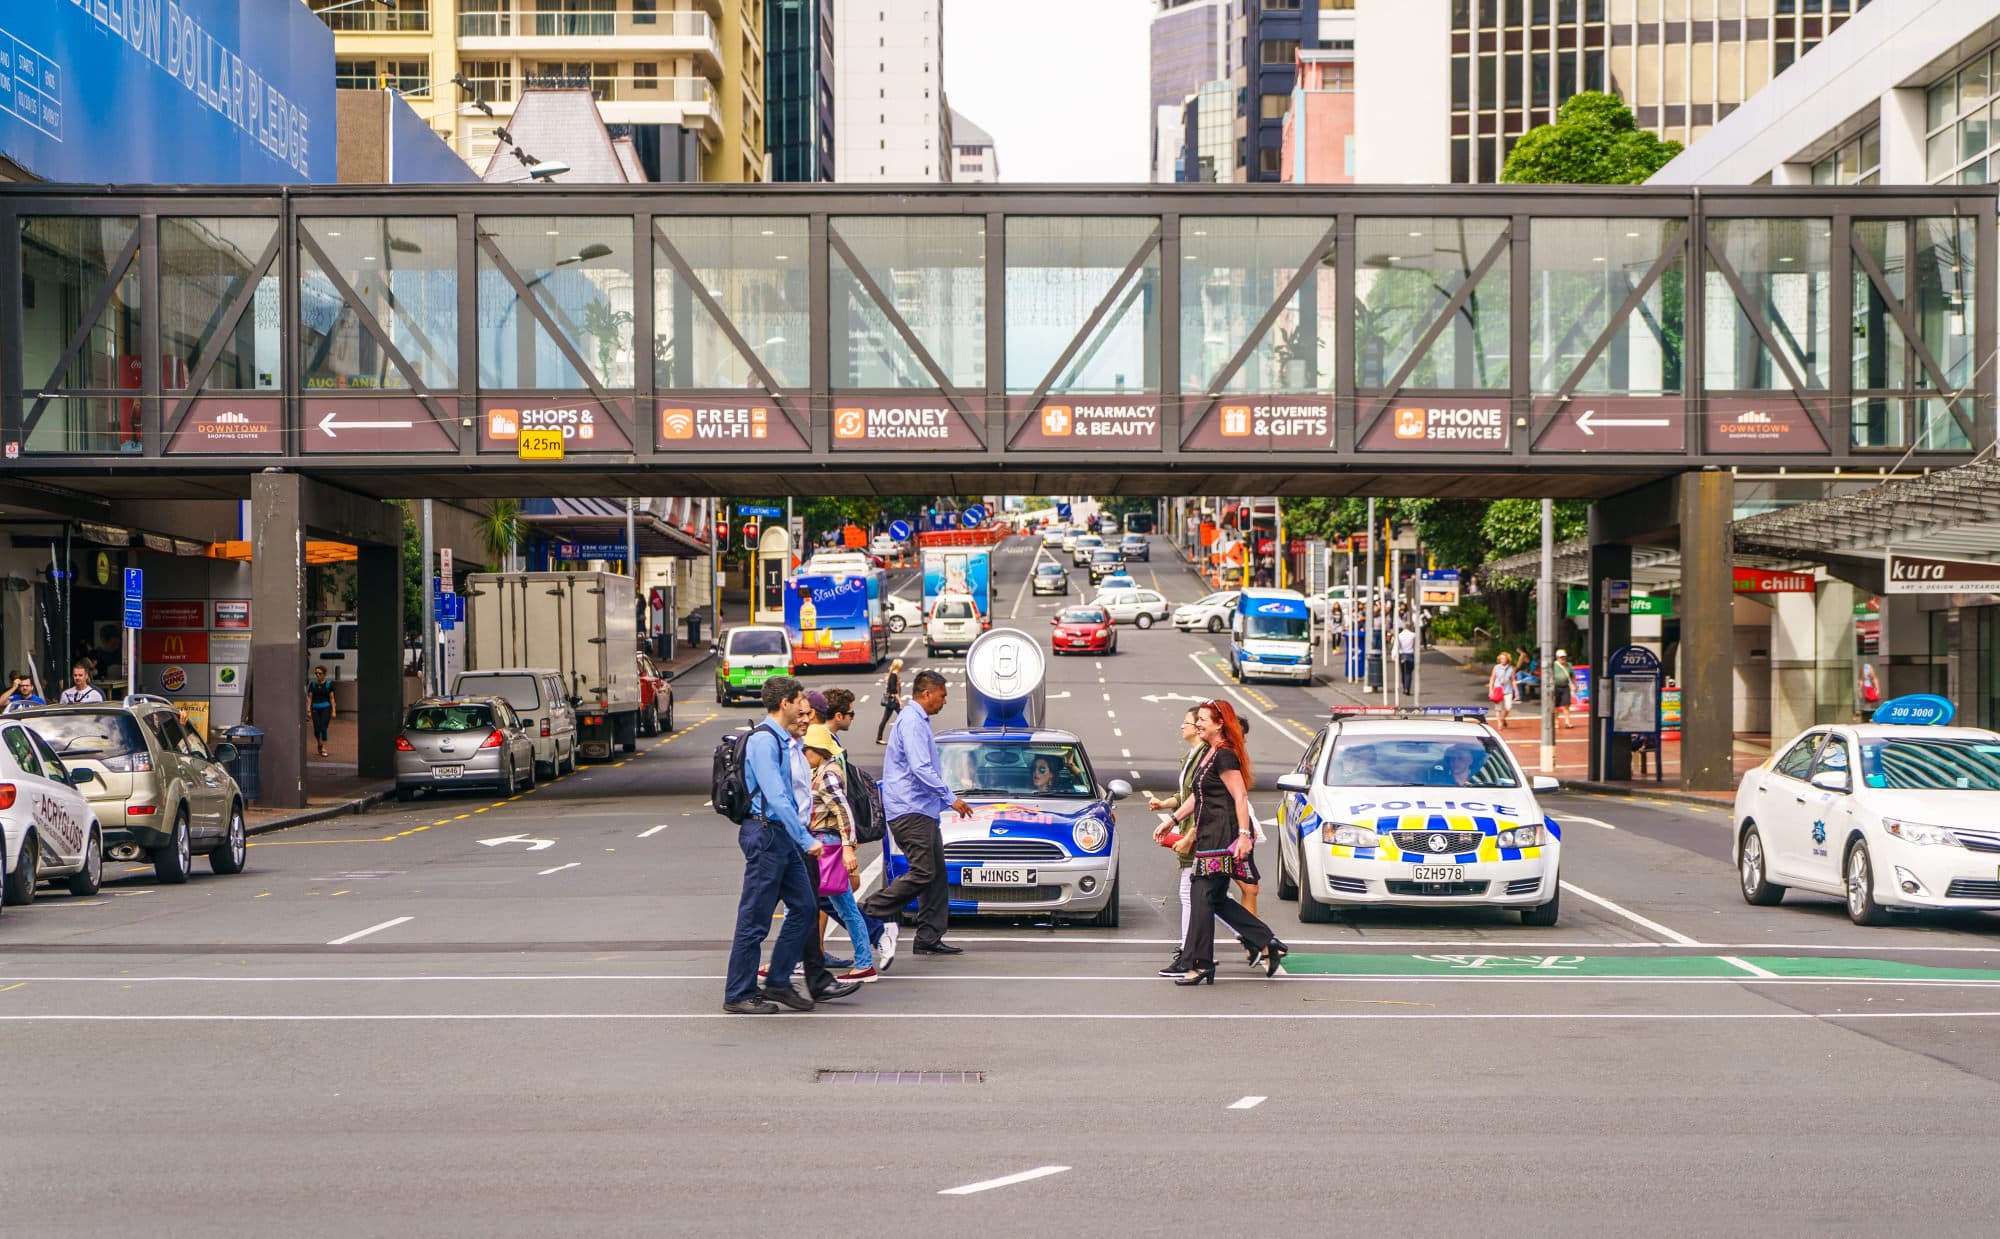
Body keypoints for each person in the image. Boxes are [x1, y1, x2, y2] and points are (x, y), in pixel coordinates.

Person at [723, 676, 859, 1015]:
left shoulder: (787, 741)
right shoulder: (763, 742)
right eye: (800, 699)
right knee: (755, 918)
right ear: (785, 703)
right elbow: (777, 796)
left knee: (805, 907)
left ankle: (780, 982)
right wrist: (806, 839)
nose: (805, 706)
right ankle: (739, 992)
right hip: (768, 834)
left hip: (784, 835)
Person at [1156, 700, 1284, 986]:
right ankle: (1265, 942)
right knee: (1213, 898)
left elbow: (1240, 796)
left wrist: (1243, 835)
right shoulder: (1209, 752)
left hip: (1221, 836)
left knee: (1202, 896)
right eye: (1197, 719)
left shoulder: (1225, 755)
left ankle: (1199, 963)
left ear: (1219, 723)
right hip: (1208, 833)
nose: (1197, 723)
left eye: (1202, 719)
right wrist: (1172, 820)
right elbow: (1197, 795)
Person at [863, 669, 972, 956]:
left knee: (935, 876)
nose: (945, 701)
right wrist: (951, 799)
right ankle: (869, 910)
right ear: (927, 693)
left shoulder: (918, 720)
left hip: (922, 810)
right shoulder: (911, 721)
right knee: (923, 872)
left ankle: (928, 936)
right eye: (942, 695)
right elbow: (920, 768)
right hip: (909, 810)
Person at [804, 724, 878, 984]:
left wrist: (847, 847)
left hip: (828, 846)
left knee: (840, 907)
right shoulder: (822, 770)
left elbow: (843, 811)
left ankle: (865, 963)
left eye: (806, 749)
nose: (803, 754)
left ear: (818, 750)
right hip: (826, 845)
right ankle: (864, 961)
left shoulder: (827, 774)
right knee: (836, 907)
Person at [306, 666, 336, 758]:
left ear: (324, 674)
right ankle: (319, 743)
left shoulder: (328, 684)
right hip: (315, 708)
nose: (317, 675)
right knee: (316, 729)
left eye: (320, 673)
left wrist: (333, 710)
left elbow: (332, 698)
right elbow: (310, 698)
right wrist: (308, 710)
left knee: (323, 727)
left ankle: (324, 747)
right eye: (316, 673)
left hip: (326, 708)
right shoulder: (313, 685)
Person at [875, 658, 904, 744]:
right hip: (893, 701)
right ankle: (879, 738)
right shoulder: (893, 675)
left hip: (893, 701)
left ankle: (879, 738)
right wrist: (900, 701)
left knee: (887, 719)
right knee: (903, 717)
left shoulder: (895, 675)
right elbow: (893, 689)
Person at [1549, 650, 1575, 729]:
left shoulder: (1569, 665)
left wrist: (1575, 685)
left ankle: (1567, 722)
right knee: (1555, 706)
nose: (1562, 658)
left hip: (1565, 687)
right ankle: (1556, 722)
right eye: (1561, 657)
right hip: (1556, 687)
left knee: (1566, 705)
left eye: (1564, 657)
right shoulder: (1553, 665)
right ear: (1557, 658)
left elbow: (1572, 676)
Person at [1489, 651, 1516, 727]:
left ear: (1507, 659)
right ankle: (1499, 722)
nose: (1502, 660)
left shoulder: (1511, 668)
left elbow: (1513, 680)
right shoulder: (1496, 667)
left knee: (1508, 707)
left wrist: (1516, 691)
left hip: (1508, 690)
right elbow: (1492, 679)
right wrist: (1491, 690)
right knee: (1498, 707)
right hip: (1498, 689)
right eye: (1501, 659)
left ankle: (1503, 718)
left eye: (1504, 658)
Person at [1394, 620, 1418, 697]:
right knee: (1408, 673)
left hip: (1402, 654)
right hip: (1410, 654)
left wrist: (1394, 655)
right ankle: (1407, 688)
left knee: (1403, 672)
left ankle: (1404, 687)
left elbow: (1396, 646)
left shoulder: (1399, 635)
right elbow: (1416, 645)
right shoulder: (1413, 635)